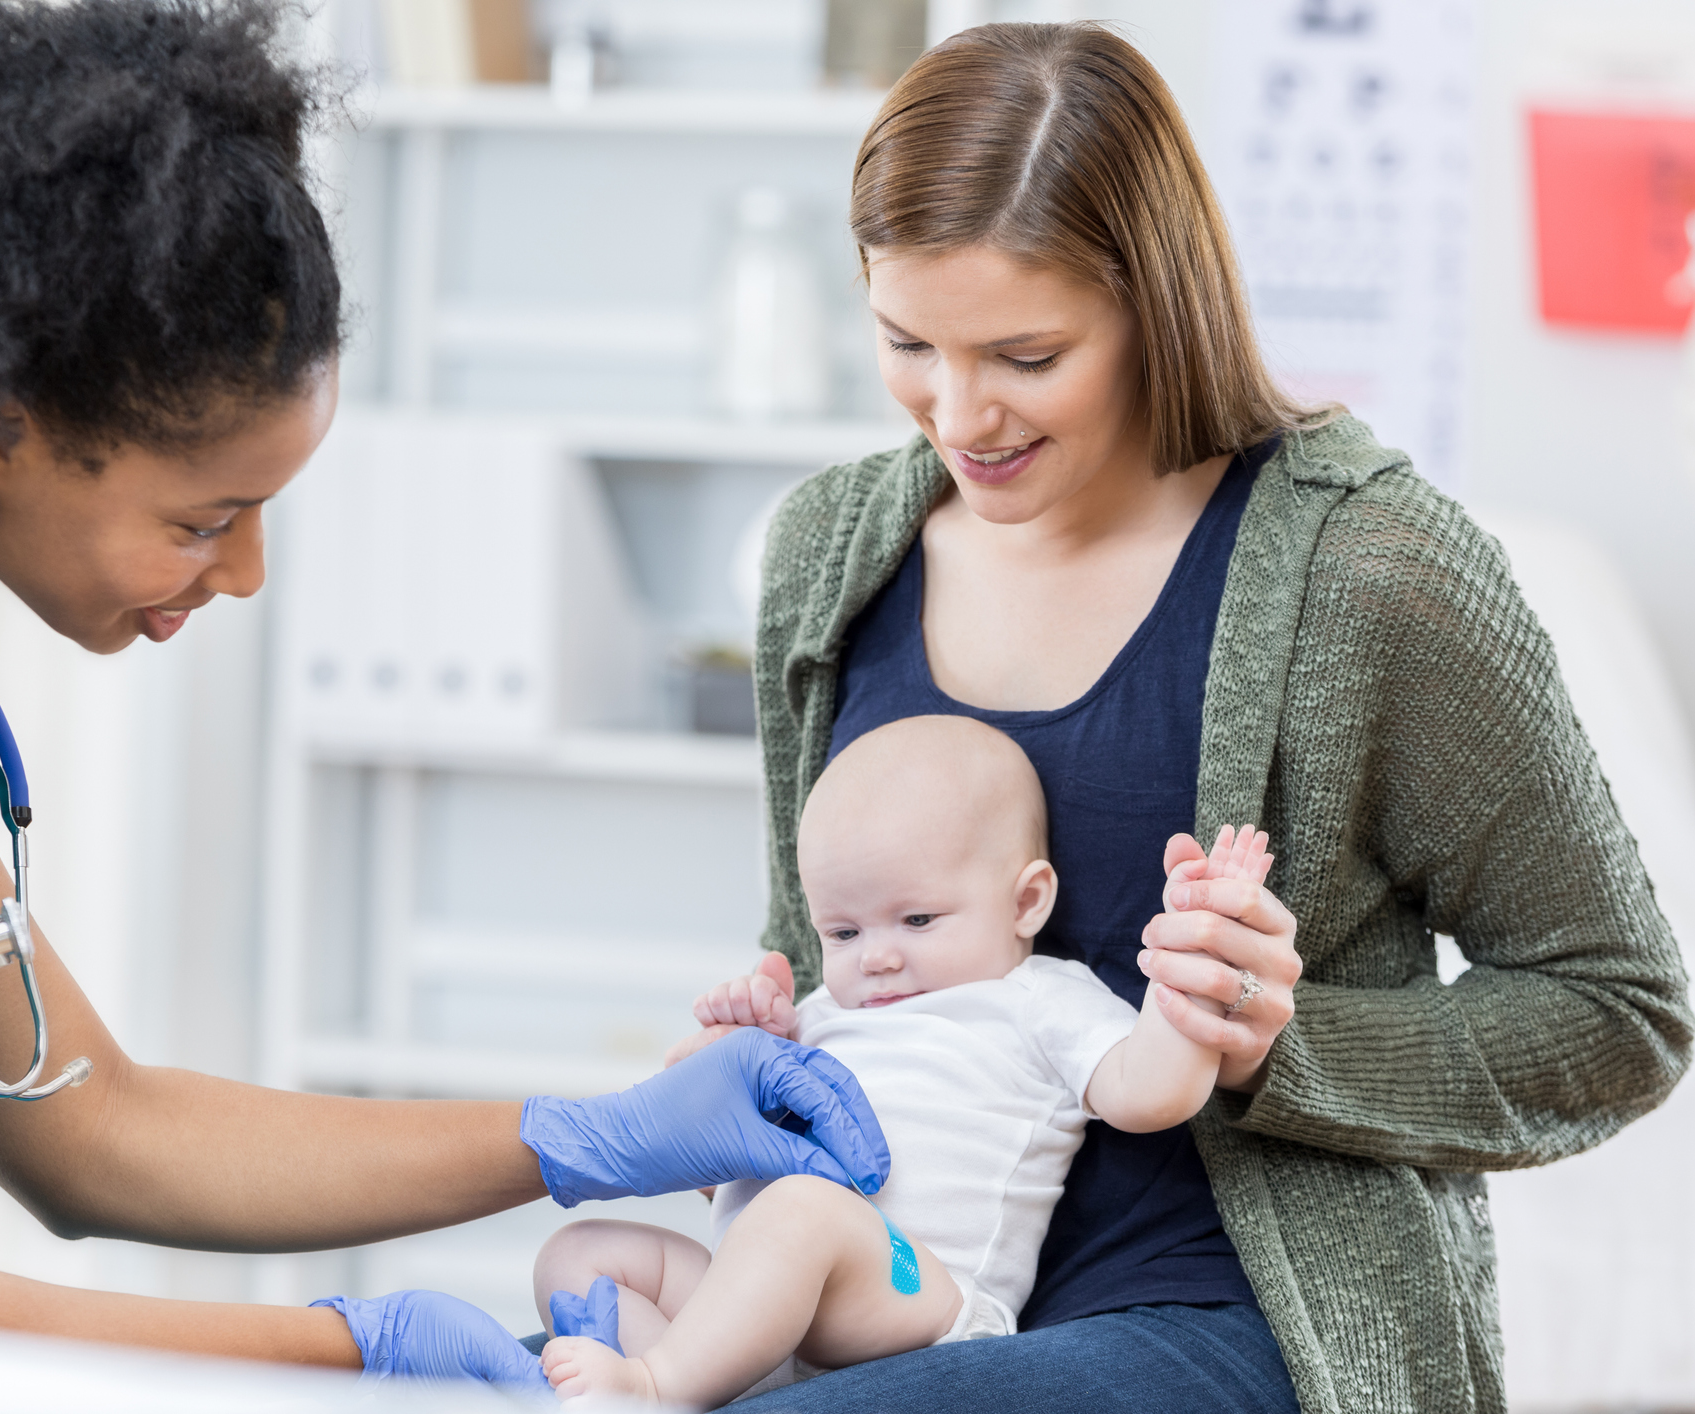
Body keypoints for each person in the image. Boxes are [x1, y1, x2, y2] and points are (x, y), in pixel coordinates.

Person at [0, 0, 888, 1383]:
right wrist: (351, 1351)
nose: (246, 572)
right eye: (205, 518)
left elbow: (99, 1128)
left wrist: (591, 1129)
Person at [679, 20, 1688, 1414]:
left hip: (1241, 1313)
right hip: (901, 1288)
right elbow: (834, 956)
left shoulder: (1369, 564)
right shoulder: (829, 551)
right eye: (906, 340)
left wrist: (1276, 1040)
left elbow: (1616, 1007)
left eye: (1024, 354)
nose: (956, 413)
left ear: (1155, 301)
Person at [532, 717, 1272, 1409]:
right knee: (580, 1254)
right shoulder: (821, 1015)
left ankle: (658, 1384)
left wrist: (1191, 970)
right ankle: (692, 1378)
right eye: (844, 930)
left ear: (1026, 902)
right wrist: (726, 1072)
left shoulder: (1033, 999)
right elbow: (715, 1177)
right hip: (752, 1310)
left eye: (918, 919)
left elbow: (1153, 1095)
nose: (878, 956)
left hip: (915, 1299)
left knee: (804, 1208)